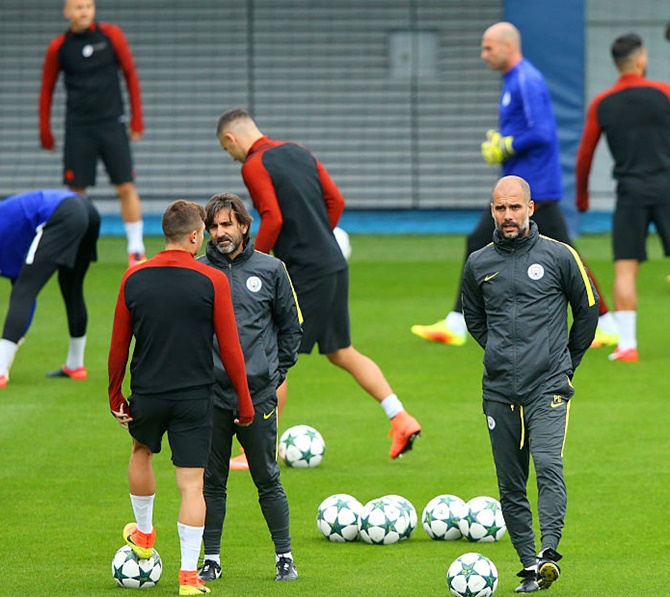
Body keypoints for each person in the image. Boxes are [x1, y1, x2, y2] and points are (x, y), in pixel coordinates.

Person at [216, 108, 421, 460]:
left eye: (226, 149)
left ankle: (257, 452)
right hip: (333, 263)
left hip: (306, 271)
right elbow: (336, 201)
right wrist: (317, 236)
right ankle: (400, 417)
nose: (230, 156)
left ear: (232, 138)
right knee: (340, 351)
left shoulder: (252, 165)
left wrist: (253, 262)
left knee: (271, 355)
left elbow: (272, 217)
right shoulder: (298, 150)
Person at [411, 21, 618, 350]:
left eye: (488, 48)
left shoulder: (526, 81)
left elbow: (542, 133)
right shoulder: (514, 80)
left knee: (558, 255)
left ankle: (458, 322)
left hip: (533, 188)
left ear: (508, 46)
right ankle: (606, 322)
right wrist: (504, 144)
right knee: (557, 253)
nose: (483, 55)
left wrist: (506, 146)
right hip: (526, 185)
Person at [107, 200, 254, 596]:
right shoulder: (212, 280)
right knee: (192, 485)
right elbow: (231, 348)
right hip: (194, 398)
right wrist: (244, 401)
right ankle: (189, 579)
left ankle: (144, 533)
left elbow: (119, 344)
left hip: (149, 394)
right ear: (194, 236)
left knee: (141, 452)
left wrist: (115, 394)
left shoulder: (133, 278)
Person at [461, 175, 599, 593]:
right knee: (510, 481)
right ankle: (529, 566)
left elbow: (587, 311)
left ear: (531, 208)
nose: (508, 216)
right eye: (500, 209)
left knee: (549, 465)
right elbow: (474, 319)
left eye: (515, 207)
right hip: (499, 390)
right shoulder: (479, 264)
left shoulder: (559, 256)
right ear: (492, 212)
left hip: (549, 386)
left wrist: (565, 364)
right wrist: (500, 353)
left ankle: (550, 552)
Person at [197, 192, 302, 583]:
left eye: (228, 224)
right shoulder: (199, 271)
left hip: (257, 395)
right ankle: (211, 559)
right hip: (210, 395)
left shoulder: (272, 269)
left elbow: (292, 328)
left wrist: (273, 374)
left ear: (244, 226)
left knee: (267, 477)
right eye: (214, 226)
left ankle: (284, 557)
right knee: (212, 480)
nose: (221, 232)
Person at [575, 33, 670, 363]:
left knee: (626, 270)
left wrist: (583, 197)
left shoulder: (603, 103)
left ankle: (627, 346)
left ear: (616, 64)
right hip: (666, 187)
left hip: (630, 193)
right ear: (641, 59)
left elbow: (585, 155)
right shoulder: (665, 95)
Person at [40, 0, 146, 268]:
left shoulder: (112, 36)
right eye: (77, 7)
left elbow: (131, 75)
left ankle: (136, 248)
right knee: (76, 193)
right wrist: (45, 129)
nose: (83, 11)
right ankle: (78, 248)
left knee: (126, 186)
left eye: (88, 5)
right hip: (78, 128)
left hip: (112, 124)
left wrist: (137, 119)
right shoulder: (58, 47)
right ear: (66, 11)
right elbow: (47, 88)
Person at [0, 189, 99, 389]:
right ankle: (75, 365)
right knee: (72, 288)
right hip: (88, 212)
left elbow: (23, 290)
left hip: (64, 213)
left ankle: (0, 369)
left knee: (24, 289)